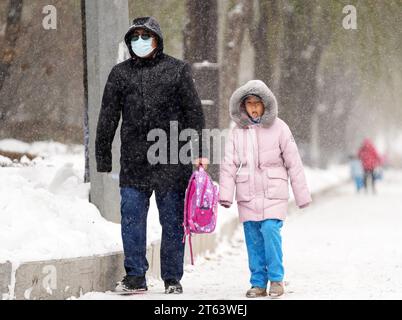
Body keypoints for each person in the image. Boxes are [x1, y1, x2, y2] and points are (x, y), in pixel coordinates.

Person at [95, 17, 208, 294]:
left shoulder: (177, 70)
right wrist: (103, 154)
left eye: (146, 36)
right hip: (134, 162)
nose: (140, 41)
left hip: (172, 159)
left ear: (157, 39)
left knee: (171, 222)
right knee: (132, 218)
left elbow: (194, 113)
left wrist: (201, 152)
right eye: (135, 36)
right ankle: (135, 276)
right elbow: (108, 116)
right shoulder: (120, 74)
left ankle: (172, 278)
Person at [219, 80, 312, 298]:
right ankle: (258, 283)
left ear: (265, 104)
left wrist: (302, 195)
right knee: (252, 238)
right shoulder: (237, 131)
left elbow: (294, 163)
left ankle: (277, 279)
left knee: (270, 231)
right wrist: (225, 194)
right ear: (242, 106)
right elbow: (229, 163)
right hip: (247, 193)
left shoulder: (280, 127)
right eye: (248, 103)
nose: (253, 107)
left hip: (273, 191)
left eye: (257, 103)